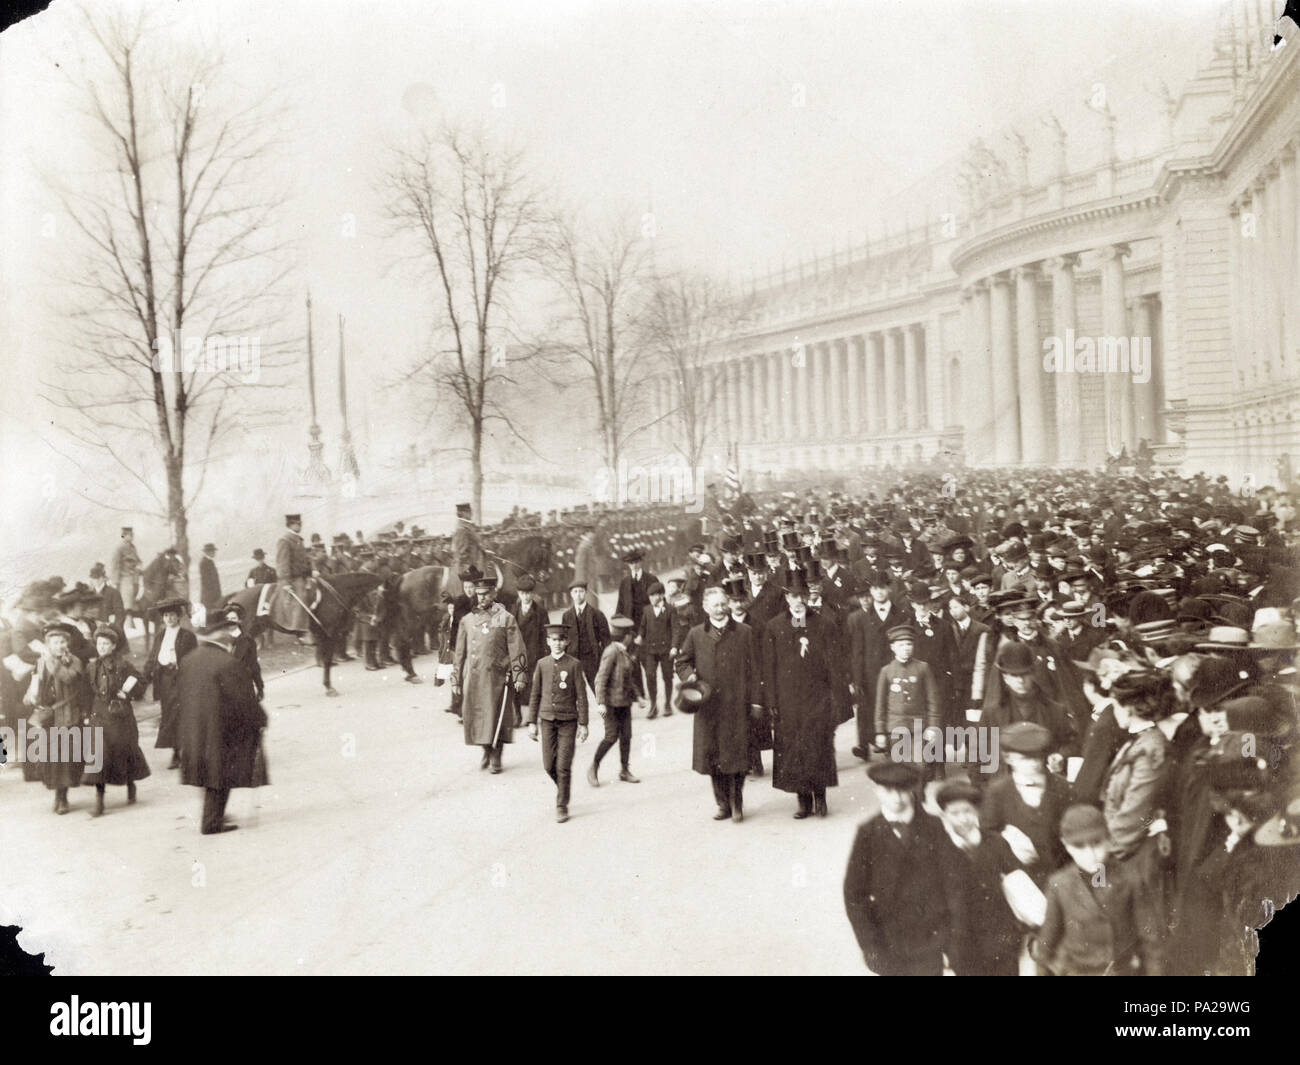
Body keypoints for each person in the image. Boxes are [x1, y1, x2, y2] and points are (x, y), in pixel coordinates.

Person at [842, 761, 966, 975]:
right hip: (888, 942)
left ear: (912, 789)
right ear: (877, 791)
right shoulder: (868, 833)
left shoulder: (933, 827)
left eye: (902, 790)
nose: (896, 798)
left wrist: (952, 939)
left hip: (930, 939)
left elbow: (954, 883)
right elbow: (854, 894)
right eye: (888, 791)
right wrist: (869, 946)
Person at [1030, 804, 1164, 975]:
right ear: (1067, 845)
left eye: (1096, 843)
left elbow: (1151, 942)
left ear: (1108, 840)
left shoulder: (1131, 879)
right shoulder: (1059, 884)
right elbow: (1044, 949)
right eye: (1080, 846)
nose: (1091, 855)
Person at [674, 585, 765, 823]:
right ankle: (722, 803)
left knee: (737, 757)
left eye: (723, 603)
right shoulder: (695, 634)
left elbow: (756, 669)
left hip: (737, 706)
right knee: (712, 758)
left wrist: (756, 701)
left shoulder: (744, 632)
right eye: (715, 604)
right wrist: (688, 676)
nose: (720, 608)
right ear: (705, 608)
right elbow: (681, 662)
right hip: (709, 707)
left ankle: (737, 803)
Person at [177, 617, 269, 834]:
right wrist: (260, 719)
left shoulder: (189, 660)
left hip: (194, 728)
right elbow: (244, 700)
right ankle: (211, 822)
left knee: (206, 772)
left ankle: (214, 815)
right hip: (220, 729)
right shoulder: (228, 663)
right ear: (222, 636)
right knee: (221, 772)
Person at [763, 568, 843, 818]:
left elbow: (835, 667)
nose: (798, 601)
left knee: (818, 746)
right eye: (793, 596)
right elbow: (769, 667)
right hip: (788, 702)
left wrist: (835, 700)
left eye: (801, 595)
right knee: (793, 749)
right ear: (786, 598)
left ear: (808, 596)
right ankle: (802, 801)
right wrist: (772, 701)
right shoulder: (774, 627)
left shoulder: (824, 624)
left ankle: (820, 798)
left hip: (817, 697)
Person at [935, 779, 1030, 976]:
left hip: (1001, 937)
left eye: (968, 811)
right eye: (955, 813)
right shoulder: (938, 850)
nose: (963, 819)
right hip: (962, 944)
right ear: (944, 815)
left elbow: (1020, 882)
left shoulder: (995, 843)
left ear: (977, 812)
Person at [452, 573, 527, 773]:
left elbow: (517, 649)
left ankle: (496, 756)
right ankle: (485, 749)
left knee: (497, 717)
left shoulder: (504, 618)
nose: (482, 598)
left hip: (497, 678)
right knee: (477, 717)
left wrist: (518, 675)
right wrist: (456, 679)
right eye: (479, 594)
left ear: (494, 593)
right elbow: (459, 653)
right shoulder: (467, 620)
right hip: (475, 678)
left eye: (486, 594)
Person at [23, 620, 92, 815]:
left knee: (67, 758)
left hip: (70, 714)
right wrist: (32, 693)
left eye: (62, 642)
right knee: (52, 758)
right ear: (48, 645)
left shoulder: (74, 661)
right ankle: (57, 794)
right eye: (55, 643)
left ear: (67, 643)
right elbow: (36, 683)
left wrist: (51, 663)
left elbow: (69, 678)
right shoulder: (41, 662)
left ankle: (63, 797)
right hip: (49, 715)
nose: (60, 646)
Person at [82, 624, 150, 816]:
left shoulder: (123, 665)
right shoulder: (91, 667)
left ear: (113, 646)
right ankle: (100, 800)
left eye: (106, 644)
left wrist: (126, 692)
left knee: (124, 750)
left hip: (120, 716)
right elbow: (85, 693)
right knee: (99, 755)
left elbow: (141, 681)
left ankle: (131, 784)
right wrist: (86, 715)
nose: (102, 647)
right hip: (98, 715)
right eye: (99, 643)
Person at [525, 624, 590, 823]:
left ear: (567, 642)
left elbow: (581, 695)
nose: (557, 643)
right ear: (547, 642)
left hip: (568, 721)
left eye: (561, 639)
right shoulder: (542, 664)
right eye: (553, 640)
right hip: (546, 720)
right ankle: (564, 787)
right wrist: (532, 722)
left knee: (563, 765)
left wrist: (583, 723)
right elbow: (535, 694)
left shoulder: (574, 664)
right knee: (548, 765)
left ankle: (561, 804)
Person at [846, 570, 908, 760]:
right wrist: (856, 679)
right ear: (871, 592)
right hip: (870, 672)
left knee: (894, 706)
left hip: (894, 668)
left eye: (882, 588)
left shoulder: (901, 614)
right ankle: (865, 743)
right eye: (875, 589)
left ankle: (893, 745)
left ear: (889, 589)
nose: (879, 592)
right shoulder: (862, 618)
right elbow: (857, 651)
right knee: (869, 707)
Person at [874, 624, 943, 770]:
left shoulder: (923, 668)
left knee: (920, 767)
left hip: (919, 725)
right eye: (900, 645)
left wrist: (933, 727)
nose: (906, 648)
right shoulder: (886, 671)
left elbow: (933, 701)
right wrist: (880, 731)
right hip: (895, 726)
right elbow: (880, 705)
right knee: (899, 769)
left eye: (909, 644)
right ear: (892, 647)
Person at [142, 596, 197, 770]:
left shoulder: (187, 636)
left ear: (178, 616)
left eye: (172, 615)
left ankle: (186, 753)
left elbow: (194, 659)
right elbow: (152, 659)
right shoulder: (160, 636)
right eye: (166, 616)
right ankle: (175, 752)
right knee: (169, 715)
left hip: (181, 679)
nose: (169, 619)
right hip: (165, 680)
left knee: (182, 714)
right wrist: (143, 679)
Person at [588, 616, 644, 787]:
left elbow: (628, 679)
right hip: (611, 704)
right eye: (630, 635)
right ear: (625, 636)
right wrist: (601, 703)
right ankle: (593, 767)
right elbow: (600, 679)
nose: (632, 638)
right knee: (611, 736)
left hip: (624, 702)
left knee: (626, 736)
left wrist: (638, 696)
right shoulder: (612, 652)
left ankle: (624, 770)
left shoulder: (623, 652)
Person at [561, 580, 610, 694]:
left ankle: (605, 711)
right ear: (571, 594)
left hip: (591, 658)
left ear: (586, 593)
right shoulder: (567, 616)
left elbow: (606, 640)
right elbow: (564, 638)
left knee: (598, 688)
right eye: (575, 592)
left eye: (581, 591)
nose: (578, 595)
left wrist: (604, 658)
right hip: (573, 657)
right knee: (572, 690)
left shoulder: (597, 614)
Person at [637, 581, 674, 718]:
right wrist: (640, 636)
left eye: (654, 596)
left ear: (662, 595)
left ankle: (668, 704)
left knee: (668, 677)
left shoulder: (670, 609)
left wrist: (675, 647)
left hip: (666, 650)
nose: (651, 599)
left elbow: (676, 630)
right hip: (650, 650)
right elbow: (643, 627)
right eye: (650, 596)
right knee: (650, 675)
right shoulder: (647, 610)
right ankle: (653, 705)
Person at [275, 513, 312, 637]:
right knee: (300, 599)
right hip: (293, 579)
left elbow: (305, 559)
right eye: (298, 524)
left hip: (303, 576)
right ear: (290, 525)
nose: (300, 526)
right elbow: (282, 562)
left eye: (300, 523)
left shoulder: (298, 539)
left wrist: (310, 573)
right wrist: (285, 582)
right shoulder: (285, 540)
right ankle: (299, 631)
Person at [111, 526, 141, 624]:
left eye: (132, 535)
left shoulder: (133, 547)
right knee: (128, 589)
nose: (131, 537)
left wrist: (139, 566)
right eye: (129, 535)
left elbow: (138, 560)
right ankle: (128, 614)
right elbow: (115, 564)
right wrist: (116, 581)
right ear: (124, 536)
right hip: (125, 574)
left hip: (134, 574)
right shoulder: (119, 548)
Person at [198, 543, 222, 615]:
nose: (214, 553)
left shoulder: (210, 561)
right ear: (208, 552)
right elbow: (206, 581)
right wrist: (213, 592)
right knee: (208, 613)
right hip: (209, 594)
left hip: (213, 593)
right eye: (213, 551)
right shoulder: (204, 562)